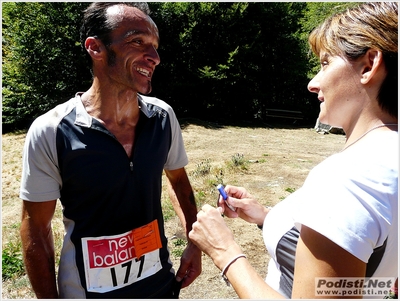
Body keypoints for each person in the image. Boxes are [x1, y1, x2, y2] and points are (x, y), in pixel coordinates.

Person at [189, 2, 398, 299]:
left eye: (325, 63)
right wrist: (265, 215)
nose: (314, 83)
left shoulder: (348, 178)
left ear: (369, 65)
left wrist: (225, 252)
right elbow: (363, 276)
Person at [19, 2, 201, 298]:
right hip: (85, 292)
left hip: (159, 285)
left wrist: (195, 244)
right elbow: (35, 229)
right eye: (137, 41)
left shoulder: (163, 117)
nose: (154, 57)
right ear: (96, 48)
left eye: (155, 46)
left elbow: (179, 182)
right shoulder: (52, 130)